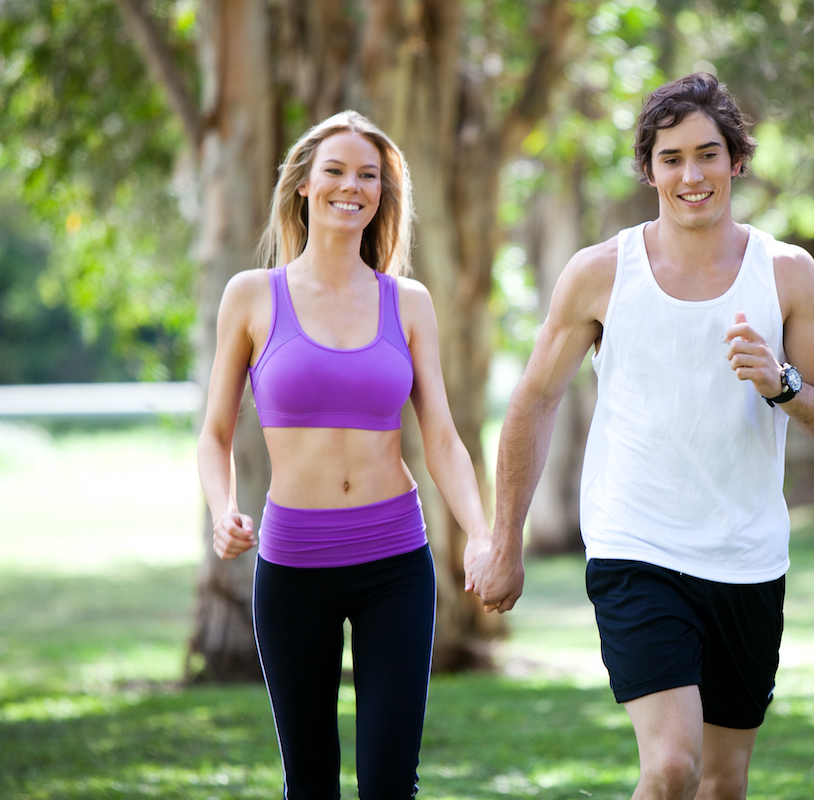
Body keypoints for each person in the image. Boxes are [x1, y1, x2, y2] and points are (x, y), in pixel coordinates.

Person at [466, 73, 814, 799]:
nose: (692, 175)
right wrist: (506, 540)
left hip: (747, 557)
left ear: (736, 161)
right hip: (636, 546)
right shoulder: (598, 275)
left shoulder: (785, 274)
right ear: (648, 168)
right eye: (672, 157)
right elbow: (534, 400)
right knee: (671, 767)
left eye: (708, 154)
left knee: (722, 782)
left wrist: (784, 385)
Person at [198, 109, 490, 799]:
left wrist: (480, 532)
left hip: (395, 562)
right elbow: (214, 433)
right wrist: (222, 511)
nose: (351, 186)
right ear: (303, 183)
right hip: (294, 564)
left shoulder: (408, 303)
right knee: (311, 784)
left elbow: (442, 437)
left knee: (390, 782)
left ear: (384, 194)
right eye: (335, 170)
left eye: (369, 175)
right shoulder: (251, 295)